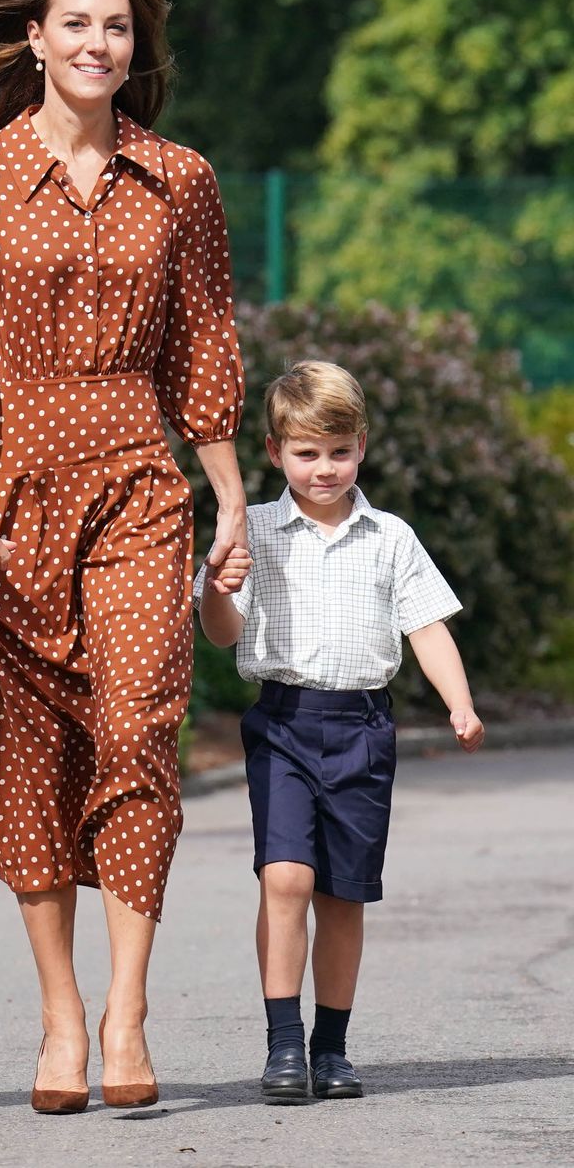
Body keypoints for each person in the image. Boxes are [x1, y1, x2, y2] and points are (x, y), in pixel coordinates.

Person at [0, 0, 247, 1112]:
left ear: (134, 50)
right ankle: (57, 1021)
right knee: (27, 752)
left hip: (142, 481)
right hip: (10, 495)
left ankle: (127, 1010)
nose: (99, 45)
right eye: (78, 24)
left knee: (141, 721)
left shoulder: (180, 179)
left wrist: (231, 493)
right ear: (34, 40)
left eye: (118, 29)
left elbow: (202, 345)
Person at [196, 360, 485, 1102]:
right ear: (273, 452)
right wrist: (219, 588)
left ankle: (331, 1046)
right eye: (306, 453)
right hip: (284, 720)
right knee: (284, 876)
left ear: (361, 445)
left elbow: (426, 626)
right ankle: (283, 1043)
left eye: (338, 451)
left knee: (343, 895)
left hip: (361, 724)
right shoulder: (252, 530)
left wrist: (459, 702)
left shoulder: (390, 537)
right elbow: (222, 632)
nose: (324, 468)